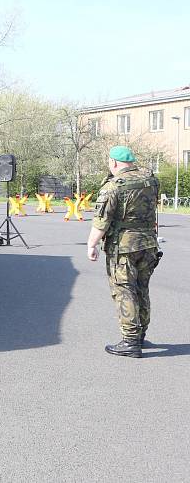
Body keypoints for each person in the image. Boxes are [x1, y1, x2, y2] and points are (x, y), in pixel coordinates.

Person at [87, 146, 160, 358]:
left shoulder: (113, 187)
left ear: (115, 163)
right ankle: (140, 335)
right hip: (148, 244)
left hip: (123, 248)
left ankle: (130, 341)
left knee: (125, 291)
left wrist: (91, 245)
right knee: (141, 289)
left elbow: (102, 222)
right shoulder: (151, 180)